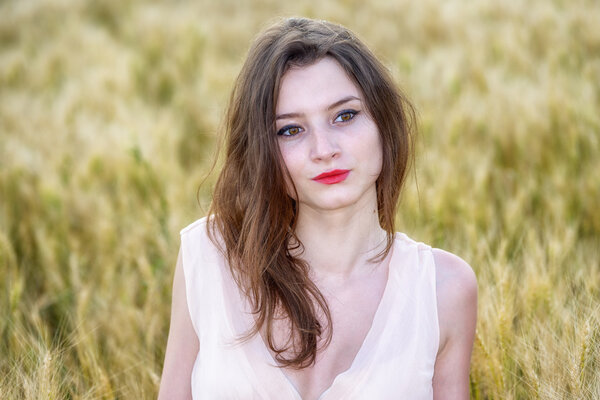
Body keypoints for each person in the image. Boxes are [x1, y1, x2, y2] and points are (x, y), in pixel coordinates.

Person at [158, 17, 477, 400]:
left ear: (383, 123)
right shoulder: (209, 257)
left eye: (345, 115)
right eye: (290, 130)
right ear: (263, 151)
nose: (324, 149)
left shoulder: (442, 289)